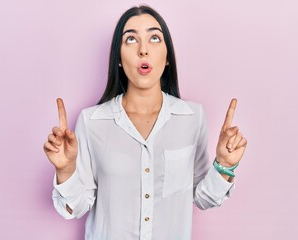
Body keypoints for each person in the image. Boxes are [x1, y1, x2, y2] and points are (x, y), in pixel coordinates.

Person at [43, 5, 247, 240]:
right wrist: (65, 170)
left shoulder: (192, 117)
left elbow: (202, 198)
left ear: (167, 55)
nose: (143, 50)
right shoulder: (92, 122)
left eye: (154, 38)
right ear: (118, 58)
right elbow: (75, 207)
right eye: (130, 39)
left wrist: (224, 166)